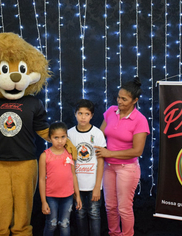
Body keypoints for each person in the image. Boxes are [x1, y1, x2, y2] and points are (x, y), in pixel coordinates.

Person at [95, 77, 150, 236]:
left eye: (124, 99)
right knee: (110, 207)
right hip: (108, 167)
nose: (119, 101)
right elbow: (100, 135)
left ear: (135, 101)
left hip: (127, 169)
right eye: (118, 97)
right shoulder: (111, 111)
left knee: (124, 208)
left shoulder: (140, 120)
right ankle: (113, 234)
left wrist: (109, 153)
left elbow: (137, 151)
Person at [67, 99, 107, 236]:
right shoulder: (69, 134)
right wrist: (72, 186)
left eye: (86, 114)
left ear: (92, 115)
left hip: (93, 184)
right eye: (80, 113)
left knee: (95, 214)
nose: (83, 117)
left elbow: (101, 161)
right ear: (75, 114)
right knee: (80, 214)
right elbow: (68, 161)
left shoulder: (97, 134)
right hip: (77, 185)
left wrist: (97, 186)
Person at [39, 122, 82, 236]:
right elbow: (42, 179)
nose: (60, 141)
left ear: (67, 137)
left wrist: (77, 195)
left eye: (63, 137)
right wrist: (43, 201)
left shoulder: (70, 153)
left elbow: (73, 175)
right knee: (51, 224)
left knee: (64, 224)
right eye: (56, 137)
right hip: (51, 196)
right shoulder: (45, 155)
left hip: (67, 196)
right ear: (50, 138)